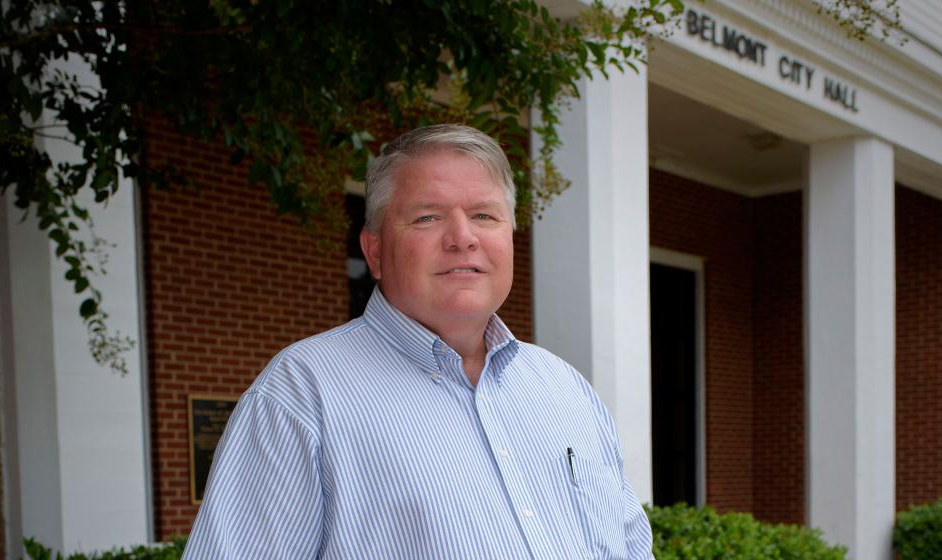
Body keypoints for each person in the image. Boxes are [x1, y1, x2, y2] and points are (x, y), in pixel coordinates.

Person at [182, 124, 654, 559]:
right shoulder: (303, 394)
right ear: (374, 251)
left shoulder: (564, 387)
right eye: (427, 217)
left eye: (485, 215)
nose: (462, 238)